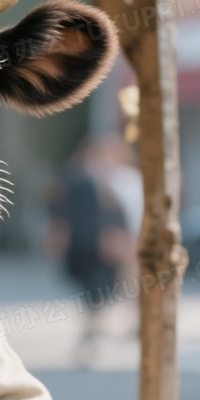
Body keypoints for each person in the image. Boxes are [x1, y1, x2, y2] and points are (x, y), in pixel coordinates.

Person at [45, 139, 132, 362]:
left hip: (97, 248)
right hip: (86, 247)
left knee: (97, 294)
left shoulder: (112, 182)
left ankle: (92, 331)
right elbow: (61, 214)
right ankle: (91, 330)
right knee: (93, 293)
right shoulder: (81, 183)